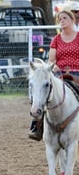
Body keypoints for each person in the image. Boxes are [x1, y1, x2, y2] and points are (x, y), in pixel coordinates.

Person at [29, 10, 79, 141]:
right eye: (60, 19)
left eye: (64, 18)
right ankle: (37, 126)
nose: (62, 21)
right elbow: (51, 60)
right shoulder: (56, 39)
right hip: (59, 73)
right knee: (44, 94)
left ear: (72, 20)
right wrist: (55, 67)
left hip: (77, 73)